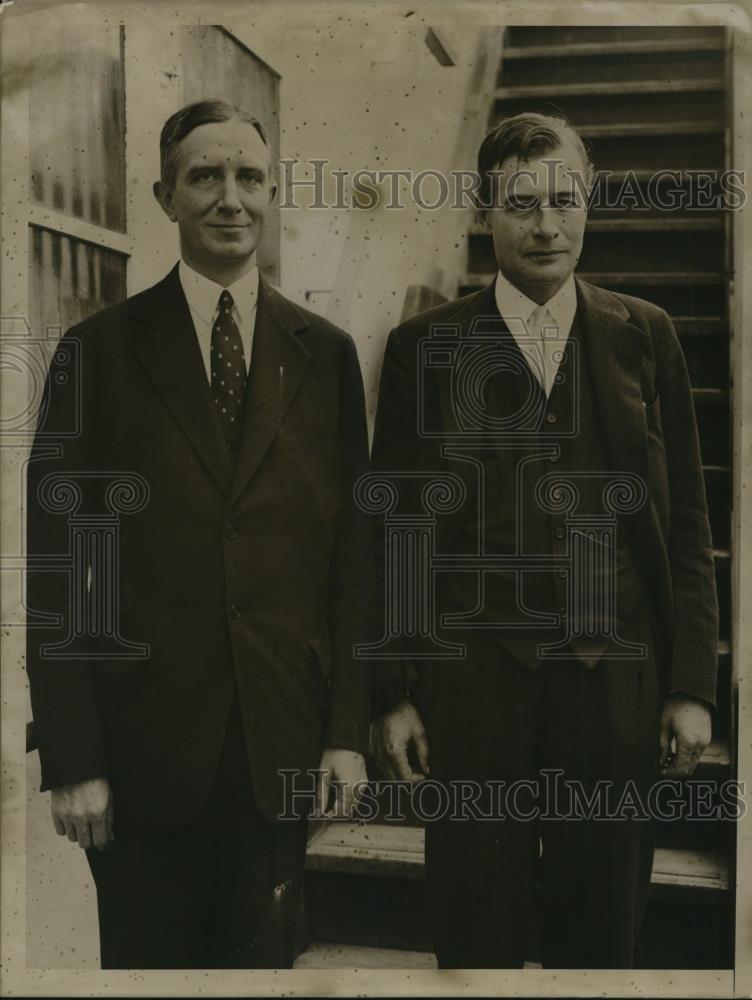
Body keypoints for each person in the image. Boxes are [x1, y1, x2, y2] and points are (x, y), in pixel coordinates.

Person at [26, 99, 370, 969]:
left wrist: (346, 734)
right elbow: (62, 570)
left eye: (249, 177)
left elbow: (355, 563)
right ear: (164, 194)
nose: (230, 198)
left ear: (272, 192)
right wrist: (73, 755)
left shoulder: (324, 356)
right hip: (142, 767)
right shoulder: (96, 353)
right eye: (204, 176)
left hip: (278, 755)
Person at [370, 112, 718, 968]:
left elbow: (684, 526)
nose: (546, 224)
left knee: (599, 943)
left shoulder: (646, 336)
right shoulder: (425, 348)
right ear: (485, 210)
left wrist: (690, 687)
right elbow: (397, 532)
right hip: (471, 688)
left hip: (614, 689)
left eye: (565, 199)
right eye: (521, 203)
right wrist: (392, 691)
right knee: (473, 939)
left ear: (590, 201)